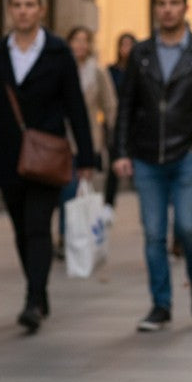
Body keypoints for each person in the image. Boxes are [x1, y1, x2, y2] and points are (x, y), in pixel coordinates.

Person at [0, 0, 94, 333]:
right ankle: (39, 290)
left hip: (47, 155)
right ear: (10, 10)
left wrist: (86, 158)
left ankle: (33, 300)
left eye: (29, 4)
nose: (23, 10)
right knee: (21, 229)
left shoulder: (58, 52)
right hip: (6, 156)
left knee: (38, 227)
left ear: (41, 10)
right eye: (17, 4)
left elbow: (75, 107)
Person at [112, 0, 192, 331]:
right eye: (161, 3)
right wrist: (121, 151)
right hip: (145, 157)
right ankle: (160, 305)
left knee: (188, 226)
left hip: (187, 154)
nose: (168, 8)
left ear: (186, 8)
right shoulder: (140, 54)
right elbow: (126, 105)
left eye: (174, 2)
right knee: (154, 234)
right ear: (155, 9)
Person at [55, 25, 118, 255]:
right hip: (60, 139)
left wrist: (113, 137)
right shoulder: (59, 69)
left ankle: (71, 235)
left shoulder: (97, 71)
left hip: (87, 140)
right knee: (65, 189)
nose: (79, 45)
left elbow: (110, 105)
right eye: (75, 40)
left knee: (75, 189)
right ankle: (65, 233)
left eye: (84, 41)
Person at [104, 32, 136, 212]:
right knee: (114, 164)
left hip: (137, 125)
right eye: (124, 45)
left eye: (130, 45)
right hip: (117, 123)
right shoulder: (112, 71)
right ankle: (109, 203)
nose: (127, 49)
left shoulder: (142, 70)